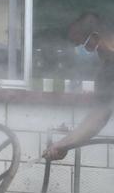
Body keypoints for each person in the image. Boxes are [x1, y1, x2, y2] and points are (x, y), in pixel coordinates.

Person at [43, 12, 114, 161]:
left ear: (95, 38)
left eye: (81, 45)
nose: (80, 51)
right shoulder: (106, 72)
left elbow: (98, 118)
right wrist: (64, 145)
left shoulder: (109, 70)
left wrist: (62, 144)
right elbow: (97, 118)